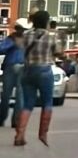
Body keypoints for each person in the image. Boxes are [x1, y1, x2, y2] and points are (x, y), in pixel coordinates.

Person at [16, 10, 62, 146]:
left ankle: (20, 135)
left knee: (28, 104)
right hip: (44, 71)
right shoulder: (51, 36)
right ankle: (43, 134)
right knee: (47, 103)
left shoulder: (26, 34)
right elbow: (58, 52)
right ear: (46, 22)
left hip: (28, 71)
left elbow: (20, 47)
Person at [0, 21, 28, 129]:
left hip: (14, 67)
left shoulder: (13, 38)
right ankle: (11, 120)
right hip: (17, 67)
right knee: (15, 96)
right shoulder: (21, 39)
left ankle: (7, 119)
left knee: (10, 96)